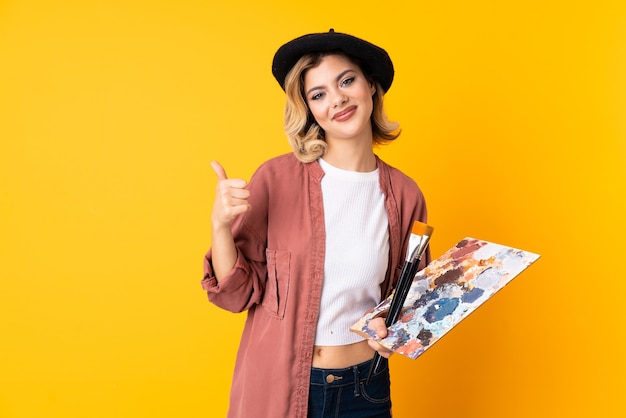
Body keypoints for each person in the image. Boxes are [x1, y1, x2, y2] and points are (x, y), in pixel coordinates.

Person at [201, 29, 430, 418]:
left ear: (370, 86)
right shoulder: (275, 180)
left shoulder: (406, 195)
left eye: (347, 80)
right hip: (284, 387)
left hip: (367, 390)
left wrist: (393, 327)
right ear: (308, 108)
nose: (337, 99)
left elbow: (411, 299)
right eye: (318, 94)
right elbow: (235, 294)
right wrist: (221, 226)